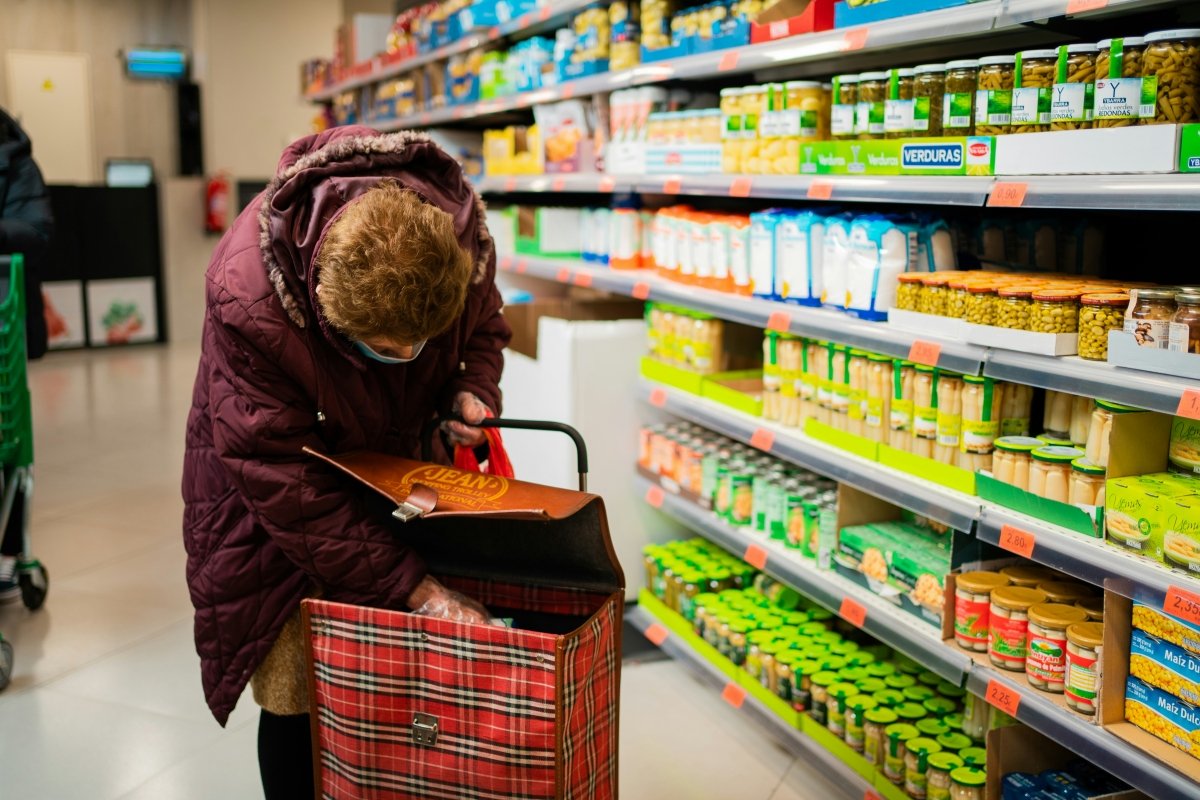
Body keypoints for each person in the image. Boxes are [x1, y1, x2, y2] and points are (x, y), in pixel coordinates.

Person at [181, 127, 511, 799]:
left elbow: (484, 328)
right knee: (296, 685)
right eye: (388, 348)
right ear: (327, 312)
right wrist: (414, 589)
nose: (411, 354)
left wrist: (470, 388)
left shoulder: (460, 247)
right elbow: (279, 475)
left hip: (400, 479)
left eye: (423, 342)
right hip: (279, 511)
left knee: (404, 684)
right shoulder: (251, 293)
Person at [0, 107, 53, 603]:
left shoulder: (14, 161)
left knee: (7, 443)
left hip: (3, 326)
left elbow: (35, 232)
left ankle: (8, 553)